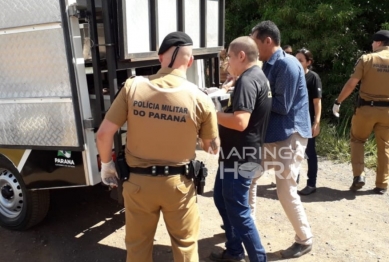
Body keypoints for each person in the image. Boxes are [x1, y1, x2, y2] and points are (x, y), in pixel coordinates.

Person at [96, 31, 220, 262]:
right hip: (179, 186)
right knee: (185, 247)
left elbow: (103, 134)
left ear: (160, 57)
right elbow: (211, 147)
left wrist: (107, 165)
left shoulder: (133, 87)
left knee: (138, 248)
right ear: (190, 61)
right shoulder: (200, 98)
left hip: (138, 185)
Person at [250, 21, 313, 258]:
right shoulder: (267, 65)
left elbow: (282, 105)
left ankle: (304, 238)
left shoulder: (286, 64)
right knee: (250, 177)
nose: (253, 47)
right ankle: (248, 228)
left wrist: (250, 99)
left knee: (285, 190)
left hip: (289, 135)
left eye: (255, 42)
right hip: (273, 135)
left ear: (268, 41)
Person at [210, 36, 272, 262]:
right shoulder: (256, 77)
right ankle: (235, 251)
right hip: (236, 155)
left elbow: (240, 122)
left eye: (229, 58)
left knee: (239, 211)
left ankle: (258, 258)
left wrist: (210, 114)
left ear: (241, 56)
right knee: (220, 198)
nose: (227, 63)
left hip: (240, 157)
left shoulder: (248, 81)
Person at [333, 30, 389, 195]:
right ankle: (382, 184)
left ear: (378, 43)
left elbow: (352, 84)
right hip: (387, 112)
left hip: (366, 109)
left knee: (357, 140)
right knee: (385, 146)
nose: (372, 45)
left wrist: (338, 102)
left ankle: (359, 176)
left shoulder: (367, 59)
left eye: (373, 42)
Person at [295, 48, 322, 195]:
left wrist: (316, 123)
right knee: (293, 153)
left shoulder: (313, 78)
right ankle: (293, 182)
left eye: (301, 60)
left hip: (307, 122)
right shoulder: (292, 75)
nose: (297, 63)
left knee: (310, 153)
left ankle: (311, 184)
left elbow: (317, 103)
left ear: (308, 62)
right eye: (296, 59)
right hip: (293, 122)